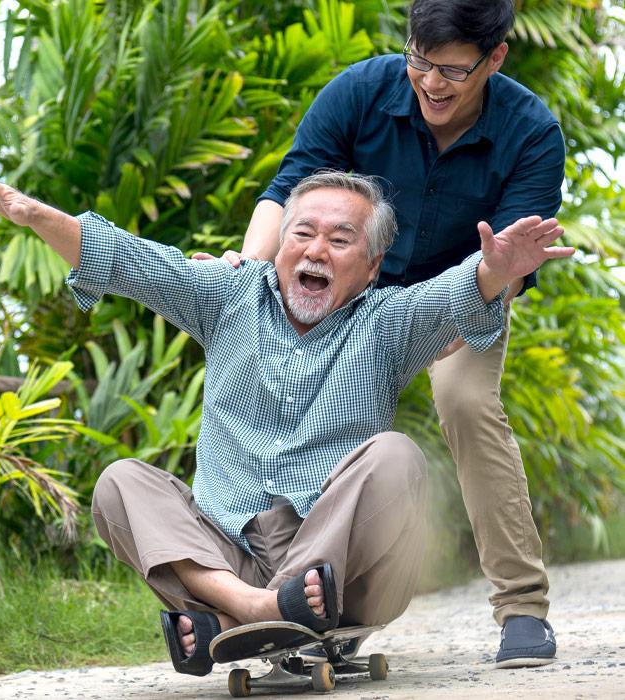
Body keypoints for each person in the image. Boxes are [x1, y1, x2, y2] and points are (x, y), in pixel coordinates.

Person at [0, 167, 572, 677]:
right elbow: (129, 261)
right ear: (280, 243)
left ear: (372, 265)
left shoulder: (388, 321)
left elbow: (459, 292)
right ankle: (255, 608)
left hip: (345, 573)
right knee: (120, 484)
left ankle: (234, 618)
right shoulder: (227, 294)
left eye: (340, 240)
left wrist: (500, 269)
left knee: (397, 456)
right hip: (233, 553)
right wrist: (36, 216)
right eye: (303, 232)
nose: (316, 250)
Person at [227, 0, 566, 668]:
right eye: (419, 60)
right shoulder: (359, 92)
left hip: (463, 299)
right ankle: (307, 611)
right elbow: (291, 188)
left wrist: (471, 299)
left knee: (467, 403)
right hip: (351, 299)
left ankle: (523, 607)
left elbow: (510, 263)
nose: (431, 83)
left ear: (495, 59)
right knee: (297, 410)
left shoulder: (531, 132)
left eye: (453, 70)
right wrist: (248, 267)